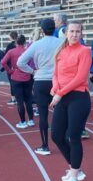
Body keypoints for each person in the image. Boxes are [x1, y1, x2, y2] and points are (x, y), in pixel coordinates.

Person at [49, 21, 92, 181]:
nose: (74, 34)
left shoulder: (84, 52)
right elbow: (55, 73)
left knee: (74, 136)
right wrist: (55, 87)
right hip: (63, 96)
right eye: (72, 31)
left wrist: (60, 93)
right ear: (66, 33)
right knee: (57, 135)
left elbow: (81, 78)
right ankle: (76, 167)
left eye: (78, 31)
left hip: (78, 97)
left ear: (81, 34)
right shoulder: (61, 51)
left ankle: (74, 176)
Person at [18, 18, 63, 155]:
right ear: (54, 28)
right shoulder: (62, 42)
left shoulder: (36, 44)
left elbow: (20, 62)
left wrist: (32, 71)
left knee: (43, 114)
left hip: (41, 81)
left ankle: (45, 145)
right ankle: (64, 141)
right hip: (58, 81)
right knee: (62, 113)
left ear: (42, 30)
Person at [2, 35, 34, 128]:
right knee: (28, 99)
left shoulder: (11, 51)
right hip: (27, 76)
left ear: (16, 42)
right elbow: (33, 62)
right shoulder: (28, 51)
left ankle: (23, 122)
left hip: (16, 77)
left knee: (20, 101)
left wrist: (10, 71)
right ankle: (31, 120)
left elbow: (3, 62)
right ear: (24, 43)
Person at [4, 31, 19, 106]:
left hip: (11, 67)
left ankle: (13, 99)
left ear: (11, 36)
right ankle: (19, 98)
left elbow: (5, 57)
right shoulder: (19, 44)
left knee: (12, 83)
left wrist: (5, 68)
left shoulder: (10, 45)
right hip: (19, 66)